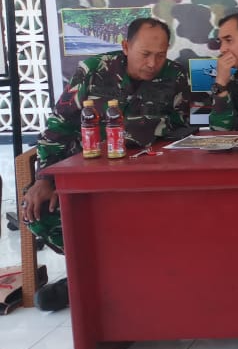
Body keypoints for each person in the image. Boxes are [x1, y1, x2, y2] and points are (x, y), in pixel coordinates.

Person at [22, 18, 192, 311]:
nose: (153, 63)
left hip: (144, 175)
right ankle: (91, 273)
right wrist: (45, 178)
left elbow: (180, 132)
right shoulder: (93, 71)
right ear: (126, 47)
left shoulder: (175, 76)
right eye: (145, 54)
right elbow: (59, 126)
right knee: (37, 210)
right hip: (88, 173)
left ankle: (110, 277)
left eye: (161, 55)